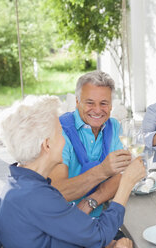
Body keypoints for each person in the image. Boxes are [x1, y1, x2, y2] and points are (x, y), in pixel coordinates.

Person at [0, 95, 145, 247]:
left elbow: (59, 236)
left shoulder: (20, 185)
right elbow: (100, 235)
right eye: (61, 132)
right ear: (47, 145)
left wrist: (110, 244)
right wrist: (127, 181)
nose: (66, 138)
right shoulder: (36, 196)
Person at [49, 71, 132, 219]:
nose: (98, 110)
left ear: (111, 105)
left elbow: (121, 176)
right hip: (63, 220)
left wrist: (91, 202)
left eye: (104, 103)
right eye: (90, 103)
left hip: (100, 216)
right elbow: (58, 192)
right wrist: (103, 170)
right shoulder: (60, 131)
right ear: (77, 101)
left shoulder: (113, 126)